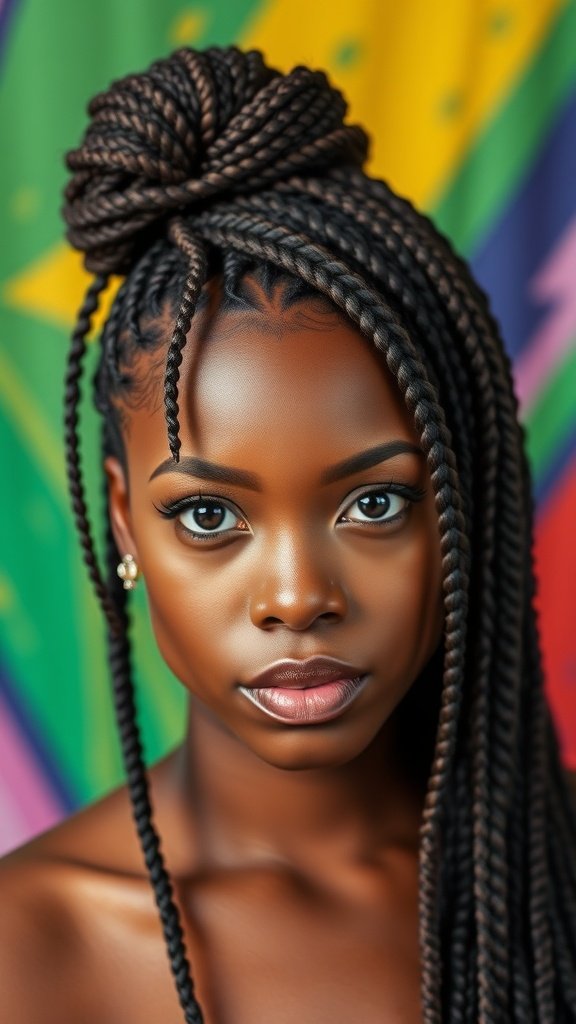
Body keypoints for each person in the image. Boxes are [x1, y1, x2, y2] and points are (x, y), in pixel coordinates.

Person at [0, 45, 574, 1024]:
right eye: (210, 515)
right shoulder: (28, 951)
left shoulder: (549, 882)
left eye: (376, 504)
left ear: (459, 509)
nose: (300, 594)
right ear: (124, 519)